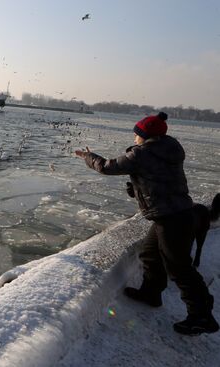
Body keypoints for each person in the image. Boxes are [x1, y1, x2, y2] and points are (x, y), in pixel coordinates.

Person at [75, 112, 218, 335]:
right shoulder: (168, 148)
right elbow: (160, 179)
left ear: (145, 135)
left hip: (172, 218)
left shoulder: (142, 154)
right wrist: (140, 188)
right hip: (175, 213)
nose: (134, 138)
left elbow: (107, 167)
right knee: (150, 253)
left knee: (179, 267)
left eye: (137, 134)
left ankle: (201, 316)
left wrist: (88, 156)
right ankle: (151, 293)